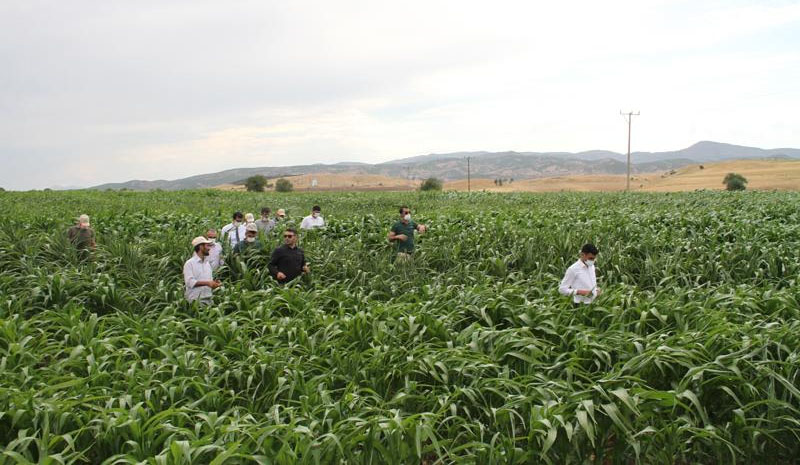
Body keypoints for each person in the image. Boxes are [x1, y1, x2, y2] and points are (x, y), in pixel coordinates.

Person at [183, 236, 221, 305]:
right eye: (207, 246)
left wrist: (214, 284)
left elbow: (208, 281)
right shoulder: (189, 263)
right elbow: (189, 282)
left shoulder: (207, 264)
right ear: (201, 246)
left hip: (208, 300)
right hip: (195, 301)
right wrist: (207, 283)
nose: (209, 248)